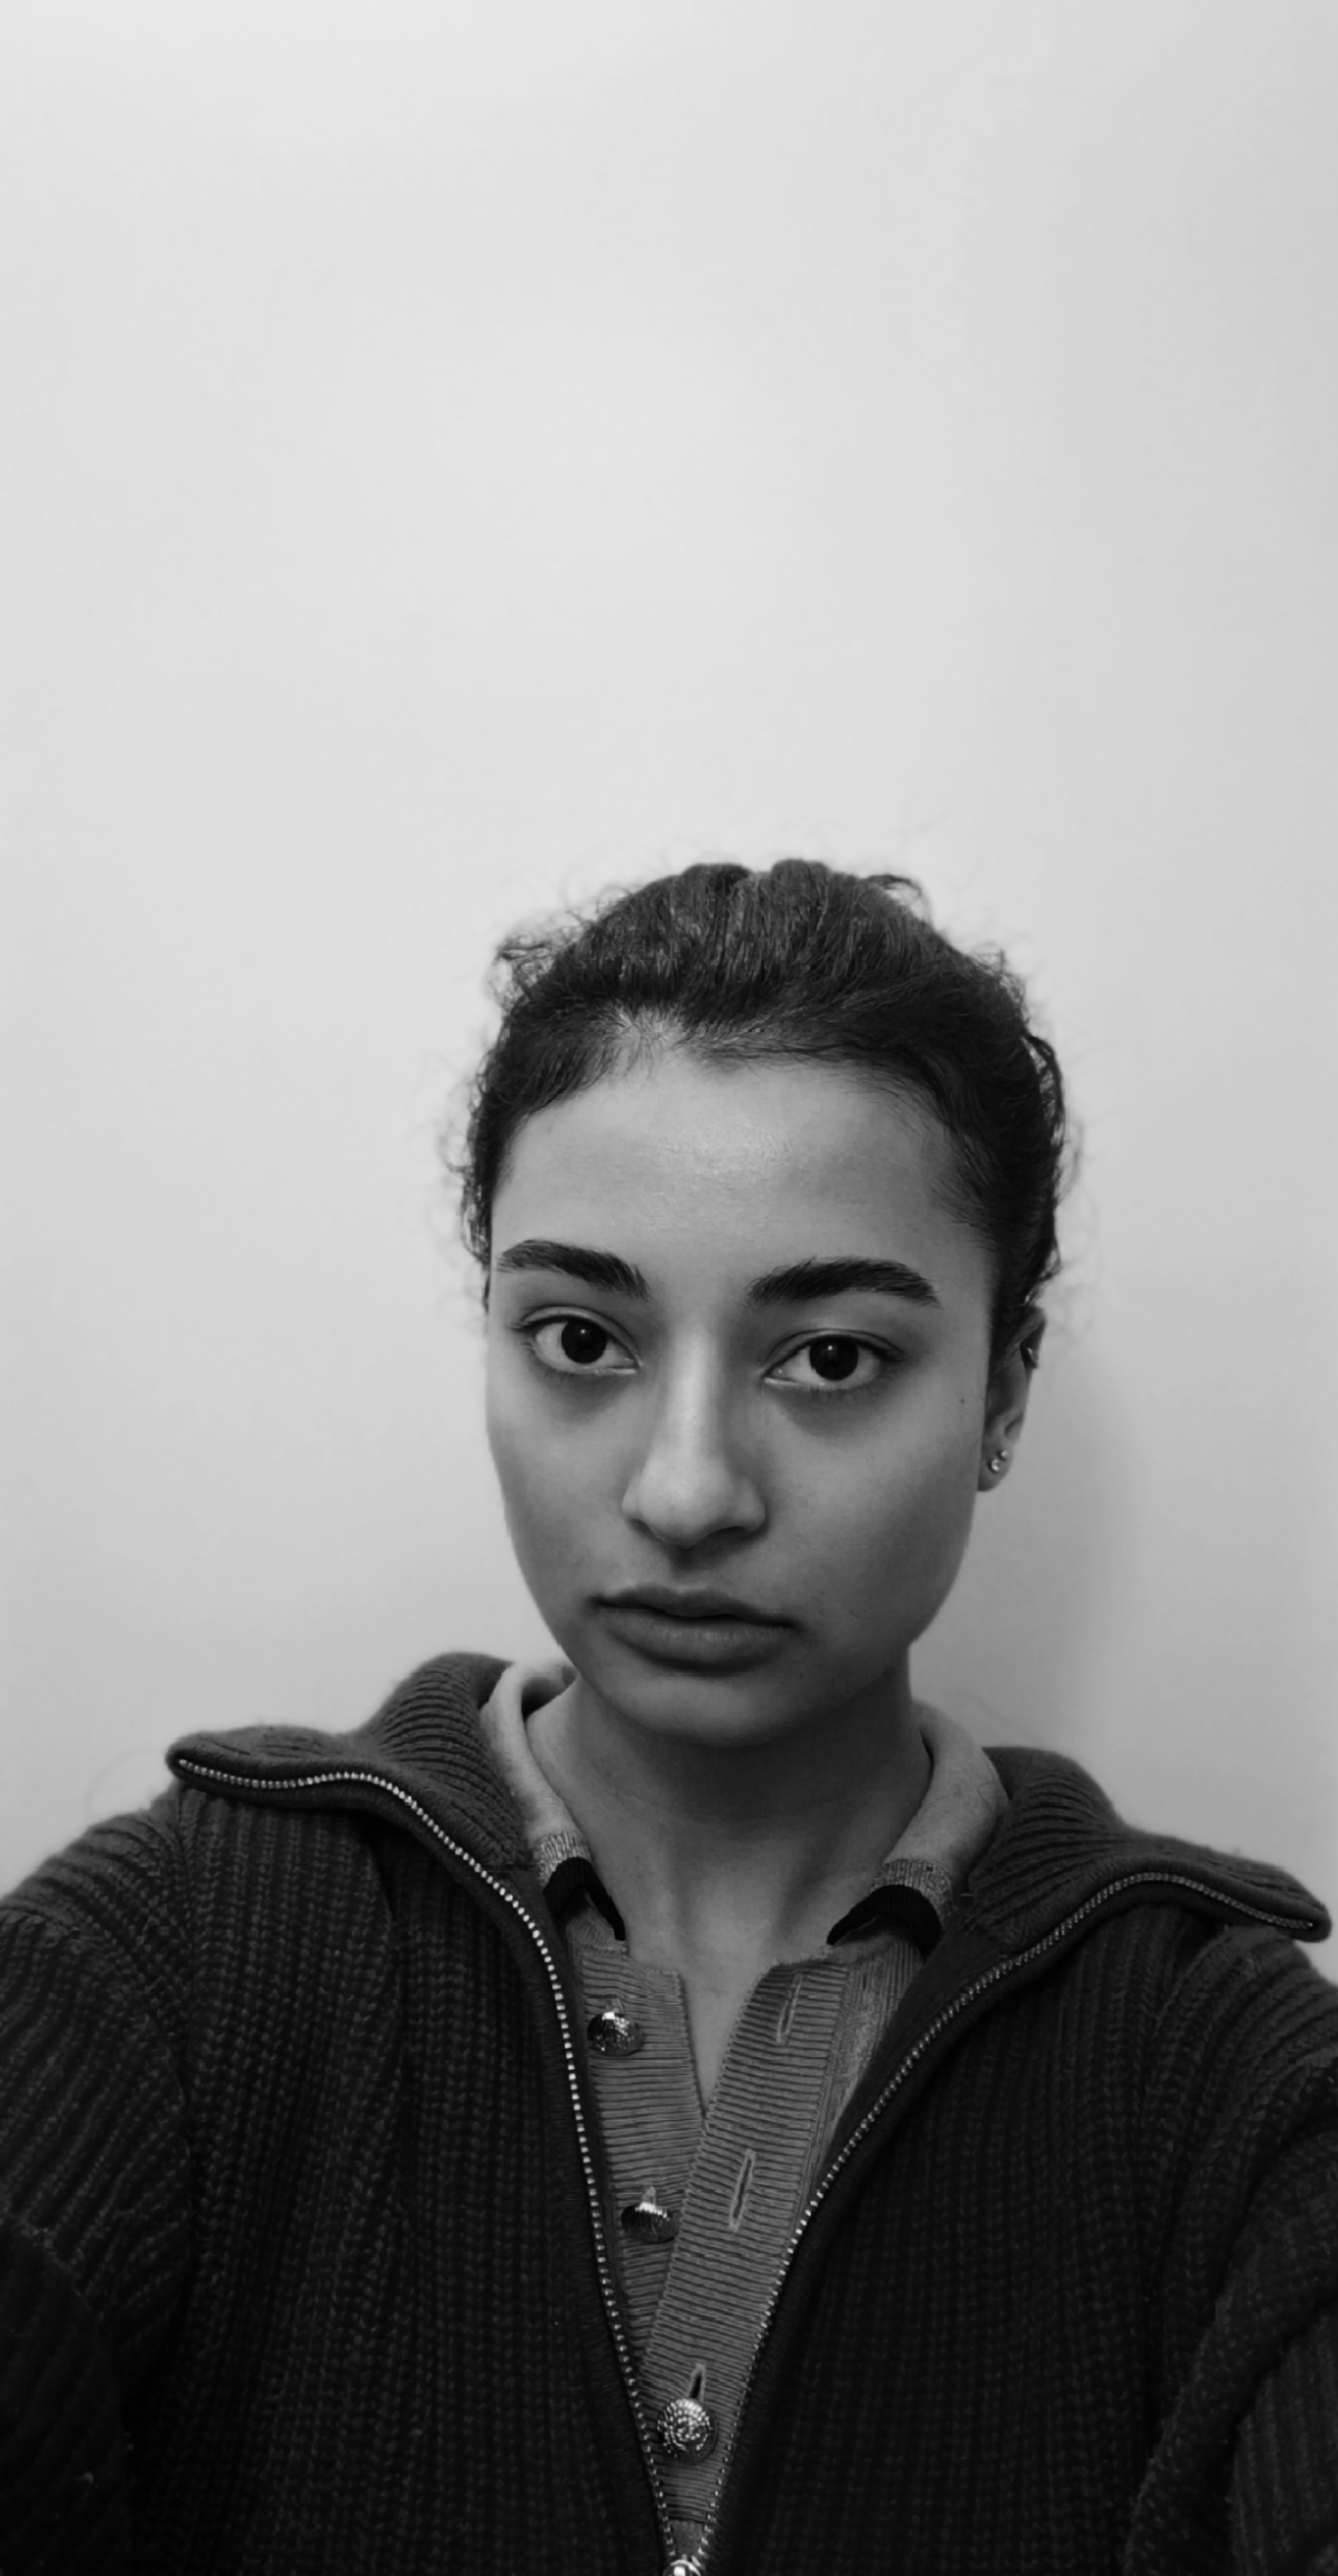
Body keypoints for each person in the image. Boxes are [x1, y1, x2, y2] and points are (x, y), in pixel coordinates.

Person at [1, 860, 1334, 2576]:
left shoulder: (1229, 2078)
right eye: (581, 1337)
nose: (688, 1490)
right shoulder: (173, 1962)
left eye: (830, 1358)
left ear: (1003, 1390)